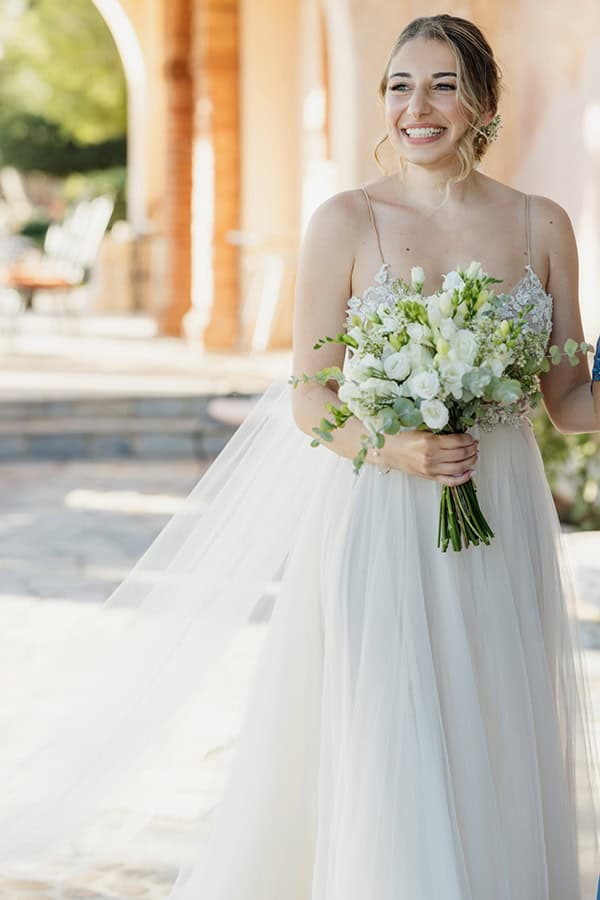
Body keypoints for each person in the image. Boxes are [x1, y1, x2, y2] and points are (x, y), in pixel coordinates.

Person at [0, 13, 598, 900]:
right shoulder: (343, 222)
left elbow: (571, 400)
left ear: (482, 100)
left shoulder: (540, 225)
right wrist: (395, 448)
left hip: (499, 517)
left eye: (441, 84)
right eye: (399, 85)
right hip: (384, 516)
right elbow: (308, 393)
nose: (416, 106)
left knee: (496, 729)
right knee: (391, 736)